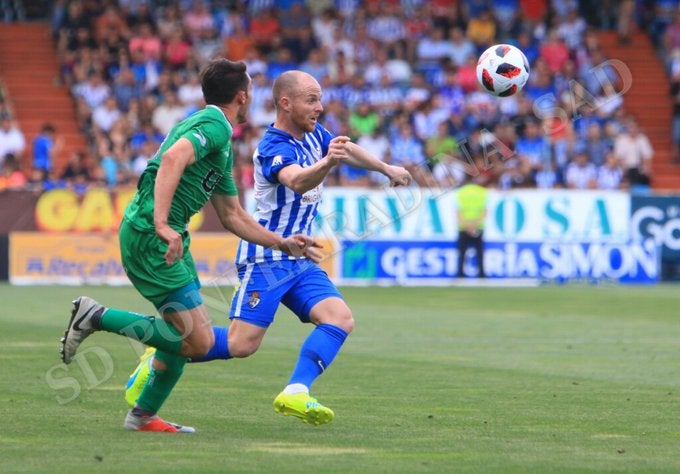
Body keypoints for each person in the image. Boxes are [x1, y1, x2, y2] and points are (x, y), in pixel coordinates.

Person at [124, 70, 412, 426]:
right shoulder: (272, 147)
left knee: (340, 318)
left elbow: (343, 147)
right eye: (311, 100)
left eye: (320, 99)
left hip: (300, 256)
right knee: (241, 345)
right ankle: (161, 351)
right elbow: (296, 180)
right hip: (267, 259)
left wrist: (386, 168)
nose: (320, 107)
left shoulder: (313, 134)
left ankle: (296, 392)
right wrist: (328, 163)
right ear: (286, 103)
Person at [59, 59, 317, 433]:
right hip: (152, 234)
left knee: (184, 334)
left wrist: (282, 243)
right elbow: (173, 157)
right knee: (195, 341)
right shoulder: (213, 124)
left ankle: (143, 417)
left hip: (166, 233)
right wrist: (163, 224)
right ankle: (95, 316)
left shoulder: (219, 140)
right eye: (252, 94)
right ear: (242, 97)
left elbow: (232, 215)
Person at [456, 175, 489, 278]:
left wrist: (467, 226)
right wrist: (474, 225)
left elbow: (458, 212)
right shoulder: (482, 192)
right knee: (480, 252)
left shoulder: (460, 192)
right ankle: (482, 274)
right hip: (478, 226)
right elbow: (484, 211)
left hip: (463, 227)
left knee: (462, 253)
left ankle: (460, 274)